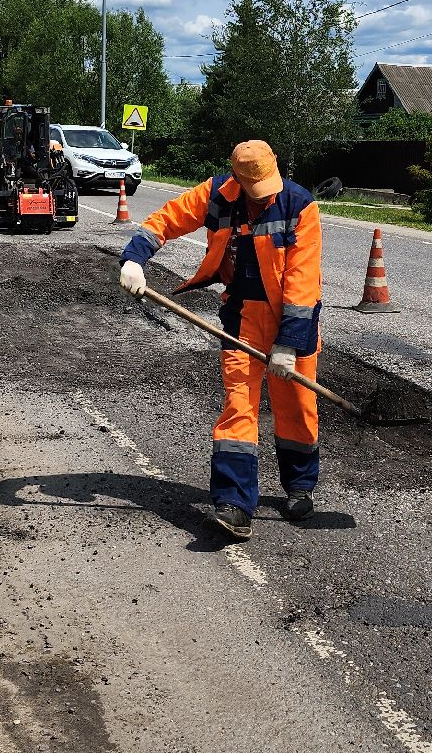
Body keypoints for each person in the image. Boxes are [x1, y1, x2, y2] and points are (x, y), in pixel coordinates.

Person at [117, 140, 323, 540]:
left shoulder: (299, 204)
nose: (265, 196)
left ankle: (299, 485)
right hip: (242, 316)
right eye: (256, 189)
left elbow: (303, 281)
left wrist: (288, 344)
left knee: (297, 403)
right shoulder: (217, 194)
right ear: (239, 180)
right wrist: (134, 258)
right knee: (238, 405)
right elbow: (165, 220)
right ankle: (234, 502)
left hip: (290, 318)